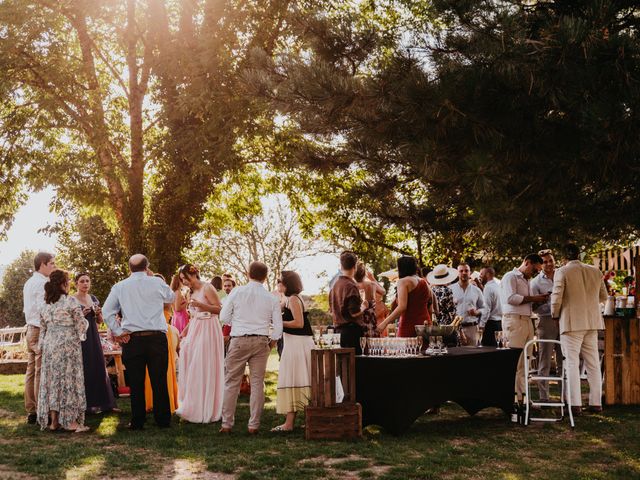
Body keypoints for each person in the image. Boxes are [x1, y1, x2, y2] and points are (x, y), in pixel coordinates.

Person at [102, 254, 175, 430]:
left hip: (132, 339)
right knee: (159, 380)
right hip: (156, 337)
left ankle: (138, 421)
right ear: (147, 266)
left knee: (135, 381)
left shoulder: (120, 286)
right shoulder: (157, 282)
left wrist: (118, 332)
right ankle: (163, 420)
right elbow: (171, 298)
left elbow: (107, 311)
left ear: (129, 268)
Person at [219, 261, 283, 434]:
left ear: (248, 273)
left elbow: (224, 316)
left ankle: (226, 424)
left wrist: (239, 325)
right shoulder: (271, 297)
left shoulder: (237, 292)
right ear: (265, 277)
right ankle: (253, 425)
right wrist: (271, 344)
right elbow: (278, 327)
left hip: (239, 340)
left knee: (231, 382)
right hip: (261, 341)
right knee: (257, 384)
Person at [551, 244, 608, 416]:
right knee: (592, 364)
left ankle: (575, 404)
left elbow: (556, 297)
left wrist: (555, 315)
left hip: (571, 323)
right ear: (580, 255)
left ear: (564, 257)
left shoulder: (562, 271)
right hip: (591, 322)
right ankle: (595, 403)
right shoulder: (595, 271)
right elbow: (604, 296)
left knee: (572, 363)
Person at [37, 269, 89, 432]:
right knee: (68, 381)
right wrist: (84, 326)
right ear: (63, 284)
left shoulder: (45, 304)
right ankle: (71, 422)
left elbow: (43, 328)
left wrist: (42, 345)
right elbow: (81, 325)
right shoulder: (70, 301)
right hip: (67, 346)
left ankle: (54, 422)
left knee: (53, 382)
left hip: (50, 346)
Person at [175, 264, 225, 423]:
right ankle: (192, 406)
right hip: (196, 328)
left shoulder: (207, 288)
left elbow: (219, 309)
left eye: (185, 279)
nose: (184, 282)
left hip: (209, 328)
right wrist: (185, 330)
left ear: (193, 275)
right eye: (182, 280)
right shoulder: (190, 293)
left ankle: (207, 408)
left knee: (203, 366)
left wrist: (200, 305)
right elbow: (194, 316)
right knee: (191, 366)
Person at [500, 253, 548, 402]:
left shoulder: (528, 280)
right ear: (527, 262)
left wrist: (539, 302)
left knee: (526, 361)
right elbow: (511, 298)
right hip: (514, 321)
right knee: (516, 361)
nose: (536, 273)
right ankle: (514, 398)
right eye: (535, 270)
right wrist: (534, 298)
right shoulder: (510, 276)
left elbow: (528, 304)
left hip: (527, 320)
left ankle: (523, 397)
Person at [272, 270, 314, 432]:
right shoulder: (289, 299)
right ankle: (301, 420)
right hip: (293, 344)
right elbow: (277, 309)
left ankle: (289, 424)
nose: (278, 283)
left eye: (280, 281)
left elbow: (299, 323)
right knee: (296, 379)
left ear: (288, 284)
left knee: (295, 379)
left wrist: (280, 323)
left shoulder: (295, 299)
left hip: (298, 345)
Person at [73, 272, 118, 414]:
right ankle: (85, 405)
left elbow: (100, 321)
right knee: (85, 368)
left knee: (98, 366)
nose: (85, 283)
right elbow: (70, 321)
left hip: (93, 335)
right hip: (80, 337)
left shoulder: (93, 298)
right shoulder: (72, 299)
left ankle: (104, 403)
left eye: (87, 281)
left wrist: (98, 313)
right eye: (82, 281)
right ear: (76, 284)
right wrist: (82, 315)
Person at [23, 252, 56, 424]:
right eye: (51, 263)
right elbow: (45, 309)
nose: (54, 266)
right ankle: (39, 411)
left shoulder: (29, 282)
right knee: (39, 371)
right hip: (40, 329)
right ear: (42, 264)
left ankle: (31, 410)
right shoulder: (43, 283)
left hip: (30, 328)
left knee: (31, 371)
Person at [144, 273, 180, 415]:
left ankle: (166, 402)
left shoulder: (165, 297)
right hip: (153, 333)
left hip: (165, 332)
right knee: (151, 369)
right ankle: (152, 402)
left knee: (165, 368)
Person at [530, 250, 563, 402]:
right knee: (545, 360)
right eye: (545, 262)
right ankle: (544, 398)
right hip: (546, 321)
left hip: (564, 320)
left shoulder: (562, 275)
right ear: (540, 264)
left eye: (551, 260)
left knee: (564, 359)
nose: (549, 264)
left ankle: (566, 396)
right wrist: (546, 302)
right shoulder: (535, 282)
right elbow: (534, 308)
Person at [377, 256, 432, 337]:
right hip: (425, 323)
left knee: (408, 349)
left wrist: (384, 323)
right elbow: (431, 305)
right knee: (424, 349)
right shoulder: (424, 282)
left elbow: (402, 307)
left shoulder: (403, 281)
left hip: (409, 324)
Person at [329, 251, 368, 354]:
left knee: (342, 368)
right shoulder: (351, 286)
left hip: (338, 333)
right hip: (352, 333)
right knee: (355, 367)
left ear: (341, 266)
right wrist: (364, 307)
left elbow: (331, 311)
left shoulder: (335, 285)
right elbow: (353, 313)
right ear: (355, 266)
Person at [450, 263, 484, 346]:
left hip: (472, 328)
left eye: (466, 270)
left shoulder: (477, 290)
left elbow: (484, 308)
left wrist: (476, 312)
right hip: (455, 328)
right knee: (457, 355)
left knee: (473, 355)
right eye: (461, 271)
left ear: (470, 273)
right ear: (457, 273)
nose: (464, 273)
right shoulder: (450, 289)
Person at [427, 264, 459, 346]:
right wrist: (460, 332)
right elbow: (452, 312)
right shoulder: (447, 290)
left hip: (434, 325)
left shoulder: (430, 290)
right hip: (447, 327)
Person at [355, 262, 386, 337]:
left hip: (359, 316)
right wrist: (373, 278)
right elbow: (383, 291)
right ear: (364, 273)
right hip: (370, 317)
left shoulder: (353, 285)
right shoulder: (372, 284)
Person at [479, 267, 502, 347]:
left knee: (488, 350)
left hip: (491, 325)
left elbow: (486, 309)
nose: (480, 276)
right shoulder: (499, 285)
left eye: (481, 274)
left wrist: (481, 325)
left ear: (488, 274)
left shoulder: (488, 288)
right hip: (500, 323)